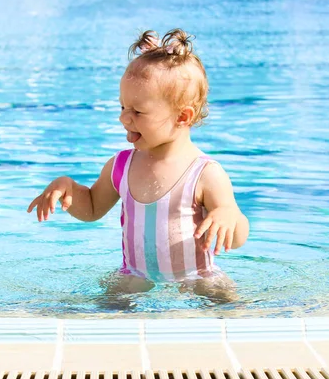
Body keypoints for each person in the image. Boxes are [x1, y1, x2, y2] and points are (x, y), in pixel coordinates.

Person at [27, 29, 249, 303]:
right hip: (134, 276)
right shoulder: (121, 165)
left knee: (229, 305)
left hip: (197, 278)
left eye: (137, 112)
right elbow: (93, 209)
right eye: (122, 107)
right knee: (99, 311)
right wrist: (69, 189)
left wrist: (229, 213)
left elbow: (237, 239)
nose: (124, 118)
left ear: (182, 116)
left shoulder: (204, 173)